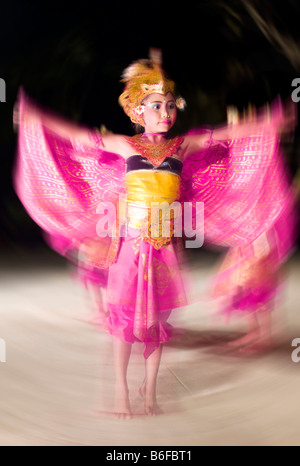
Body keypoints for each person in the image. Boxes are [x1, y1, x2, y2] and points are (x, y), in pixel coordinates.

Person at [13, 49, 297, 418]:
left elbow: (232, 132)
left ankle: (149, 392)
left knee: (157, 323)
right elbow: (75, 135)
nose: (166, 113)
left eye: (170, 106)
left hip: (164, 251)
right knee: (124, 323)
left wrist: (270, 121)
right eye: (156, 106)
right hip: (129, 248)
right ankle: (121, 394)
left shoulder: (184, 145)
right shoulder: (122, 145)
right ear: (137, 111)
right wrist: (37, 117)